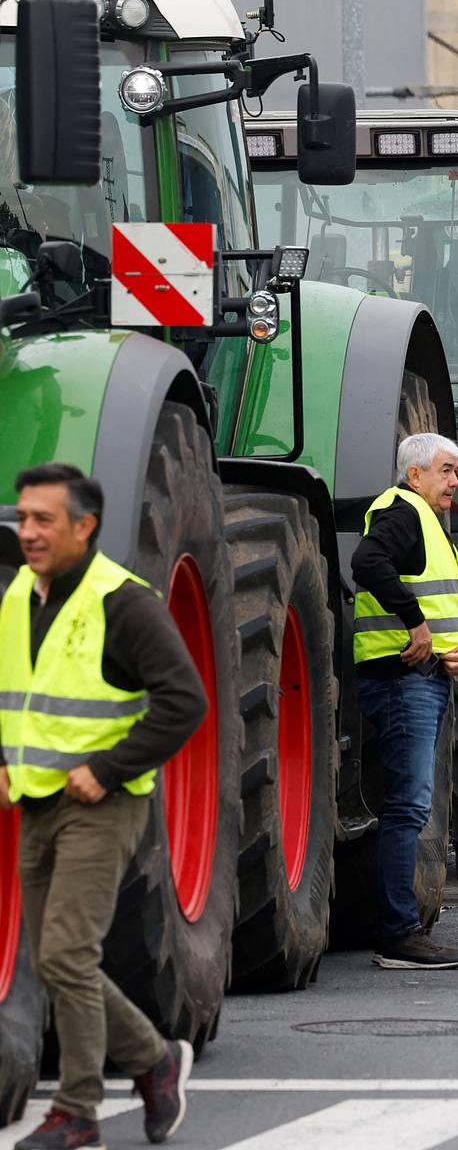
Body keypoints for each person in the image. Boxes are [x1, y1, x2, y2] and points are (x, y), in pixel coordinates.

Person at [0, 464, 203, 1150]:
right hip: (34, 802)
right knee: (58, 959)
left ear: (84, 527)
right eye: (23, 518)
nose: (27, 532)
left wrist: (109, 770)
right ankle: (155, 1061)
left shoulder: (125, 601)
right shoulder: (19, 597)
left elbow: (186, 703)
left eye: (43, 520)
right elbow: (15, 696)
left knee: (64, 954)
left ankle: (78, 1112)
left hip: (102, 805)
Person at [350, 432, 458, 970]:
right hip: (405, 679)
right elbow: (368, 563)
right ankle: (398, 935)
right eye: (445, 471)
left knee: (407, 803)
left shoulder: (431, 526)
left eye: (456, 472)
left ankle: (400, 927)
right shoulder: (402, 511)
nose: (454, 481)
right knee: (408, 806)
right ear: (415, 474)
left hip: (424, 677)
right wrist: (416, 625)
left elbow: (454, 607)